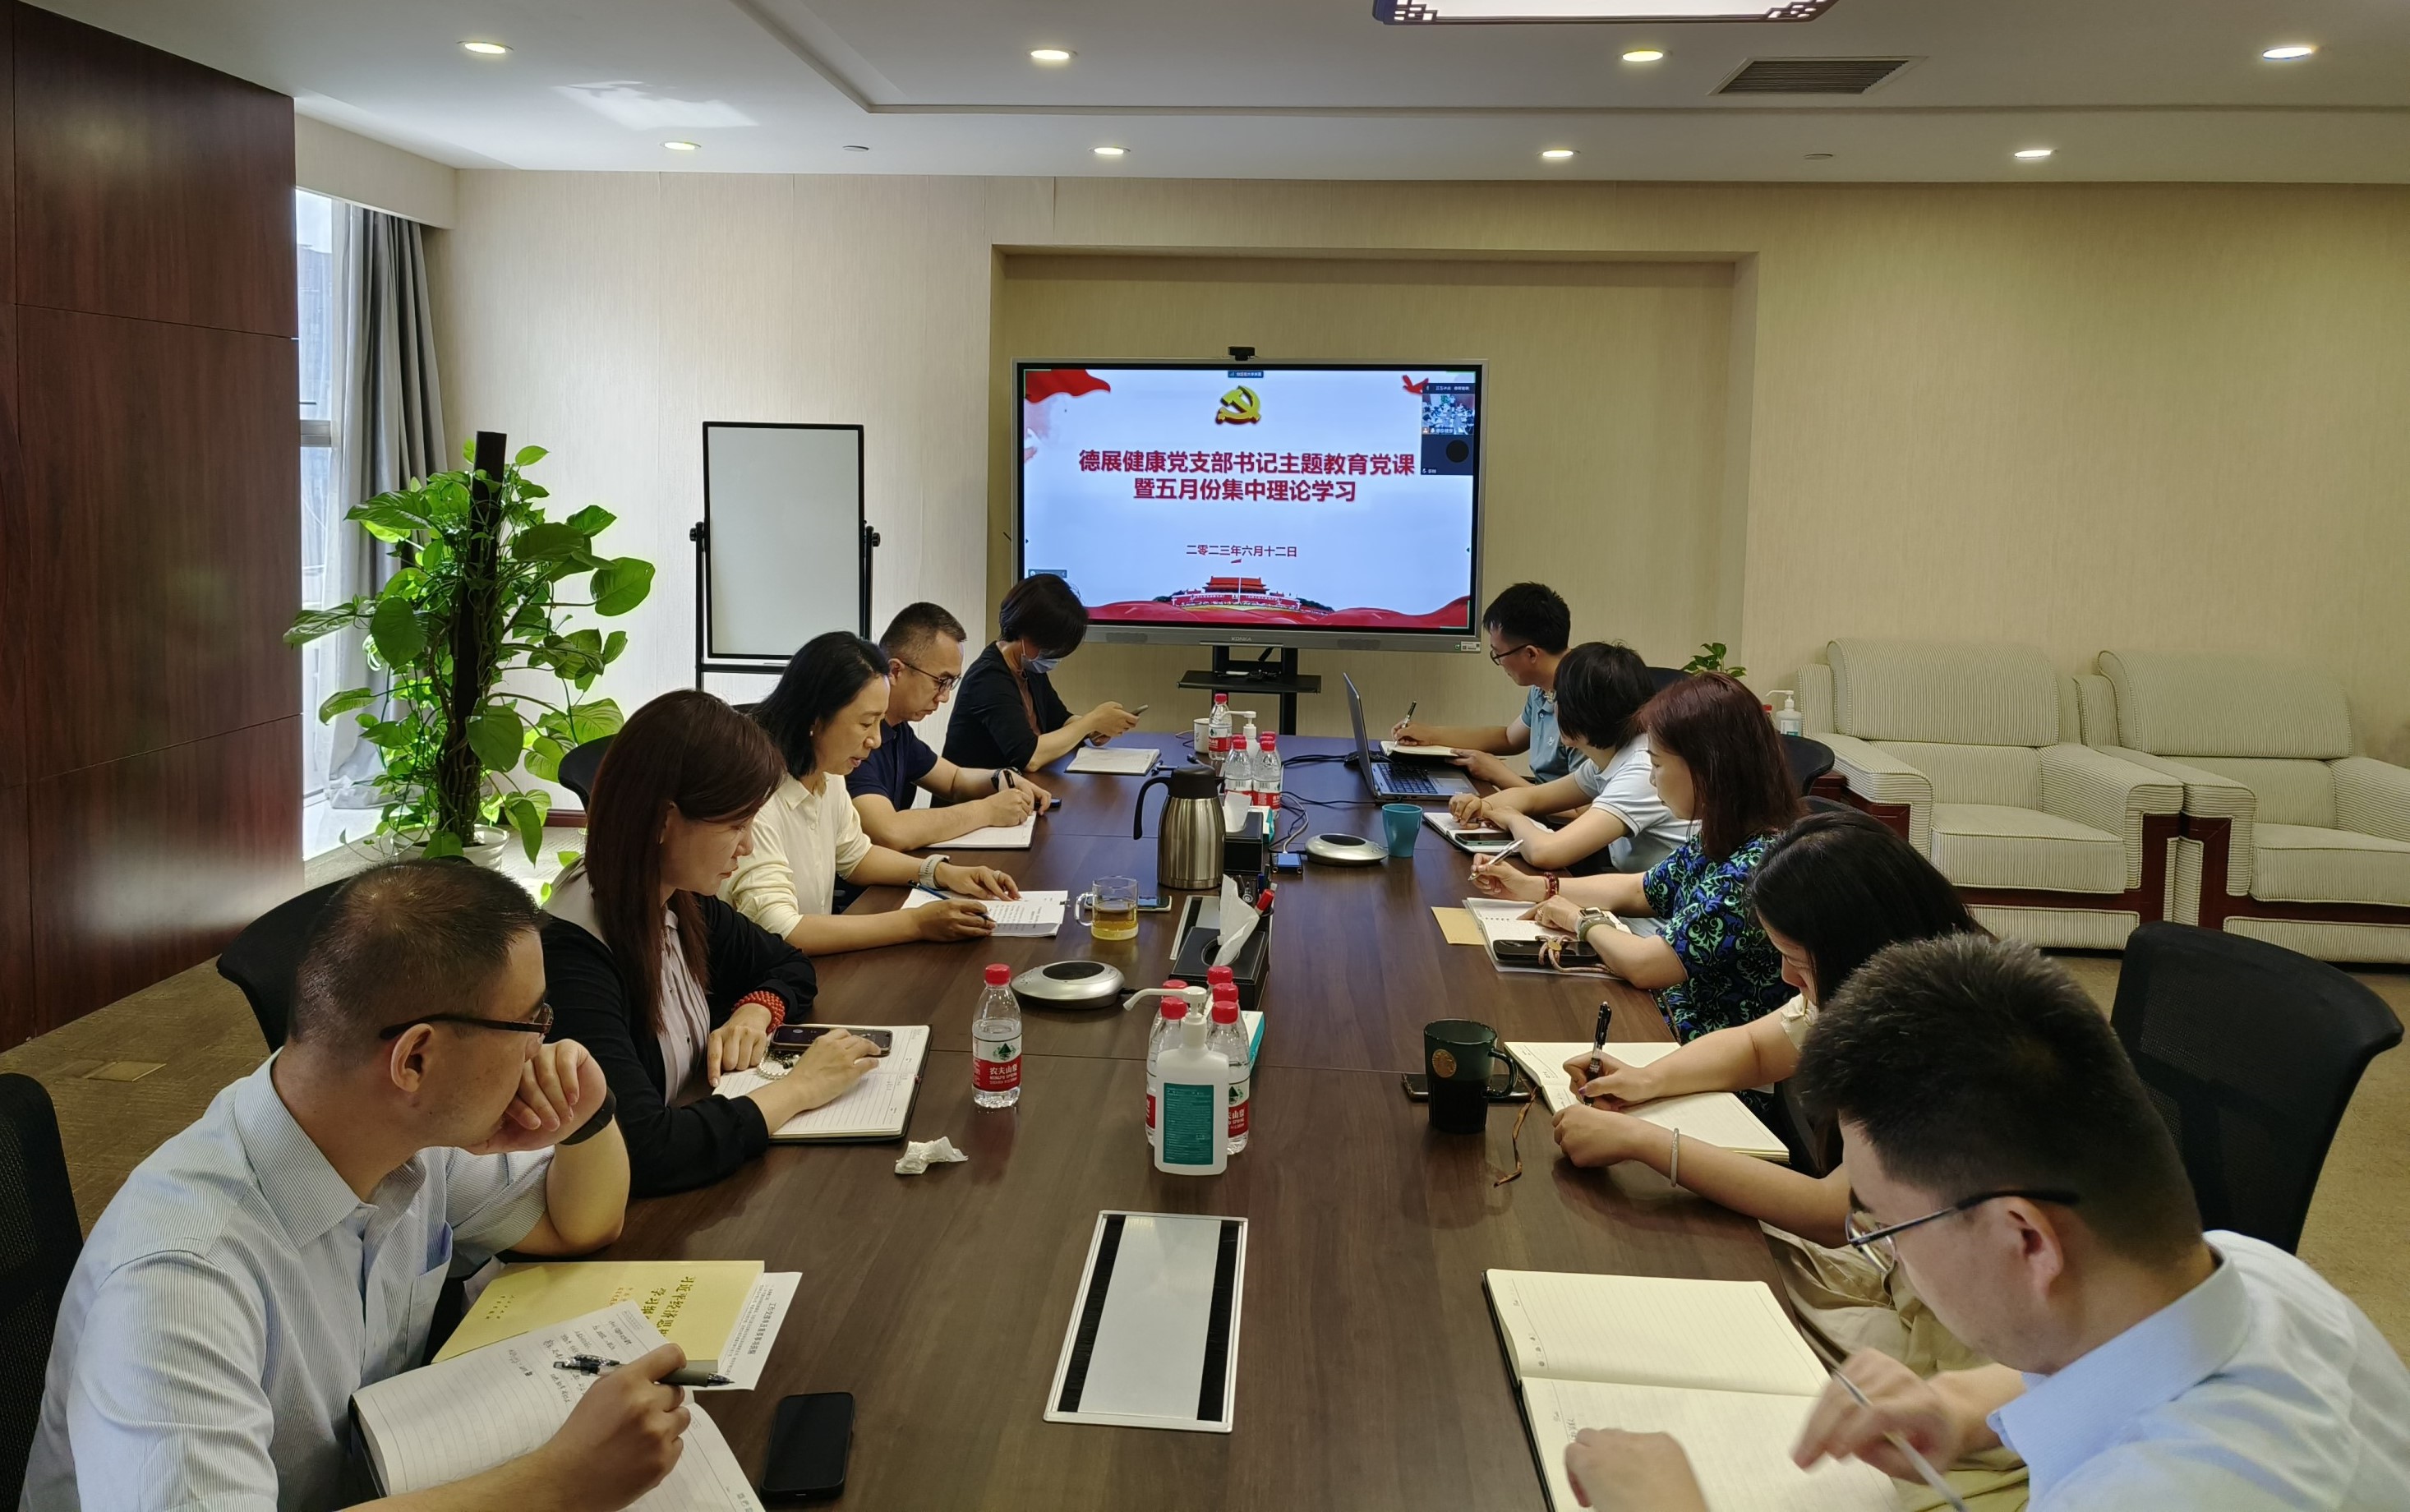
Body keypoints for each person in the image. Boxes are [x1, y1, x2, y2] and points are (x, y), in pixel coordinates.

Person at [1561, 935, 2410, 1511]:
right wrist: (1959, 1403)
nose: (1887, 1254)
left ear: (2025, 1239)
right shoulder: (2251, 1271)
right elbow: (2121, 1367)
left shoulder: (2163, 1491)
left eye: (1889, 1228)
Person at [22, 860, 686, 1512]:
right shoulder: (179, 1280)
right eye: (530, 1023)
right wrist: (557, 1484)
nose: (541, 1045)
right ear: (416, 1058)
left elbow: (580, 1224)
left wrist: (584, 1114)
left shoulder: (399, 1139)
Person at [1551, 809, 1994, 1377]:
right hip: (1895, 1264)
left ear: (1855, 945)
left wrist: (1645, 1142)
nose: (1787, 978)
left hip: (1955, 1340)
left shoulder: (1943, 1043)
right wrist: (1646, 1078)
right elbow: (1758, 1047)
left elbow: (1831, 1212)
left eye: (1796, 960)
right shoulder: (1891, 977)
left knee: (1689, 1313)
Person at [545, 689, 884, 1196]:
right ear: (663, 821)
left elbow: (789, 964)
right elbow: (642, 1149)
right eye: (736, 825)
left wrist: (757, 1010)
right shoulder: (573, 955)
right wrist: (801, 1088)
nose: (746, 847)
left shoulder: (678, 898)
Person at [1476, 671, 1803, 1041]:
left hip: (1693, 1046)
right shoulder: (1724, 835)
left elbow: (1646, 965)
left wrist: (1580, 920)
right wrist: (1534, 887)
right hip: (1665, 1017)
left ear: (1706, 768)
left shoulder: (1751, 870)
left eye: (1658, 765)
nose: (1651, 779)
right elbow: (1639, 890)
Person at [733, 631, 1020, 955]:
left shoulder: (829, 772)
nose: (876, 740)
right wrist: (916, 924)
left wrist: (943, 873)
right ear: (815, 717)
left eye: (880, 722)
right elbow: (781, 930)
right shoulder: (756, 795)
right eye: (866, 723)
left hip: (810, 965)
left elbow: (857, 856)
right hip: (766, 973)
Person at [1445, 642, 1688, 874]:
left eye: (1557, 699)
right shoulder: (1609, 758)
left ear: (1584, 711)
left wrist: (1511, 818)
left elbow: (1546, 852)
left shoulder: (1640, 770)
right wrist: (1483, 806)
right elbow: (1534, 798)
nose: (1554, 709)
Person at [847, 601, 1057, 851]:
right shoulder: (856, 739)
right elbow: (889, 832)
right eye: (941, 681)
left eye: (951, 683)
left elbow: (954, 780)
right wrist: (987, 810)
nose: (945, 697)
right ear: (895, 670)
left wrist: (1002, 777)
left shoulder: (898, 730)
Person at [942, 574, 1138, 772]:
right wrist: (1091, 721)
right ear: (1027, 636)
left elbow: (1060, 720)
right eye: (1052, 647)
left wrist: (1093, 730)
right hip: (979, 791)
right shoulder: (988, 678)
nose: (1054, 656)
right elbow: (1029, 757)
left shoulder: (1027, 667)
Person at [1389, 580, 1574, 789]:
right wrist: (1430, 735)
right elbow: (1509, 738)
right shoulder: (1542, 689)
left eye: (1499, 654)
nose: (1500, 662)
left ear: (1531, 654)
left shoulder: (1585, 699)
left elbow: (1587, 806)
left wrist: (1498, 774)